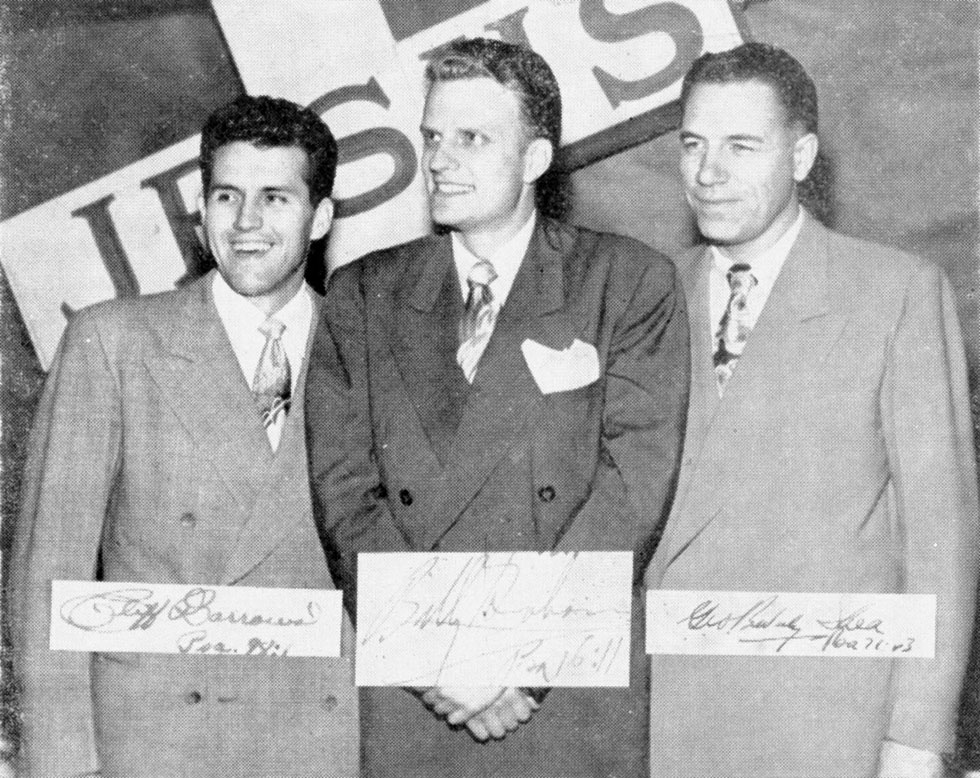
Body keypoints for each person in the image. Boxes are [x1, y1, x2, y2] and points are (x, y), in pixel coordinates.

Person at [306, 37, 688, 778]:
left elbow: (631, 491)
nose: (440, 161)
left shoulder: (629, 282)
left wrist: (523, 659)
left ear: (537, 158)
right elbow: (345, 496)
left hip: (566, 686)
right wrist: (434, 658)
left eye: (472, 139)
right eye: (432, 139)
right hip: (421, 689)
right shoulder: (362, 294)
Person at [646, 41, 979, 778]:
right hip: (665, 722)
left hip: (827, 725)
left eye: (741, 146)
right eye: (693, 145)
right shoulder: (645, 294)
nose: (708, 173)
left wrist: (918, 738)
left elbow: (941, 540)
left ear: (801, 157)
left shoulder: (895, 293)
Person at [8, 95, 358, 778]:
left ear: (320, 218)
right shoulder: (111, 343)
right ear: (202, 213)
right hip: (154, 745)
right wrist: (59, 764)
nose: (247, 222)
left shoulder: (368, 349)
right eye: (227, 196)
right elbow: (48, 575)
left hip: (320, 741)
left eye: (275, 198)